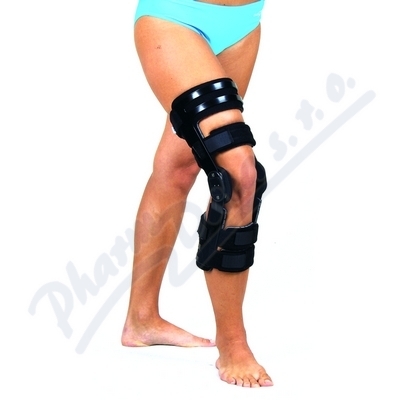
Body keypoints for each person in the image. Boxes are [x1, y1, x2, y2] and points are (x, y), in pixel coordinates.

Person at [122, 0, 273, 388]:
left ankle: (141, 319)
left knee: (180, 166)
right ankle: (233, 344)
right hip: (174, 16)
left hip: (244, 23)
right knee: (238, 172)